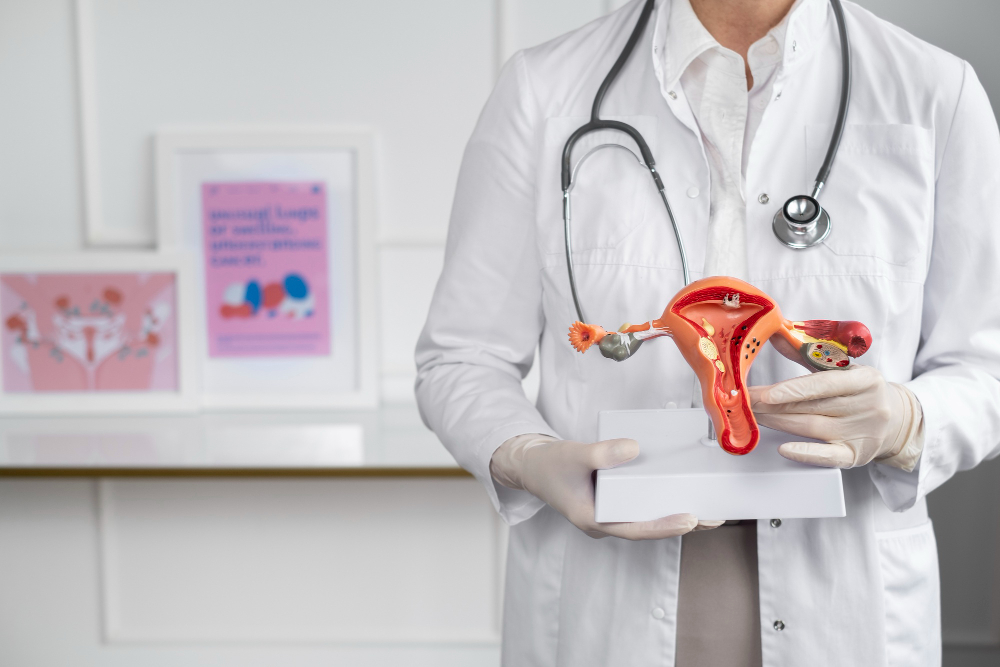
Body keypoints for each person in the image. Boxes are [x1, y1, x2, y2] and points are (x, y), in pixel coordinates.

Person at [415, 0, 1000, 664]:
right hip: (604, 594)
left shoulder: (933, 92)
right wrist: (525, 455)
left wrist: (909, 420)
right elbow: (460, 356)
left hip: (844, 593)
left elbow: (988, 366)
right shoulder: (543, 90)